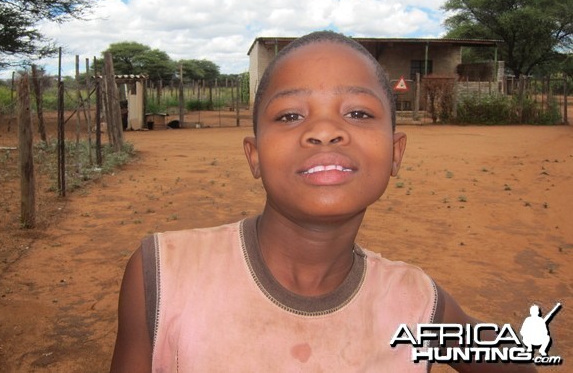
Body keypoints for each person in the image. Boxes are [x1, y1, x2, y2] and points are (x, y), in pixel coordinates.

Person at [110, 31, 536, 372]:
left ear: (395, 152)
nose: (325, 131)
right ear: (254, 155)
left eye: (358, 113)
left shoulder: (416, 303)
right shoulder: (163, 274)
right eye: (291, 115)